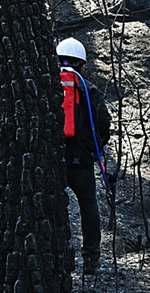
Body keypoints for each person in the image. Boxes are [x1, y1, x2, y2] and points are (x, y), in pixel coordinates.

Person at [59, 37, 111, 275]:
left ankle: (55, 253)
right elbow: (103, 123)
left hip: (53, 160)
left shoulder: (47, 85)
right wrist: (93, 148)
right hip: (81, 162)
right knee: (88, 204)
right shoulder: (90, 89)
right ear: (82, 64)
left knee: (52, 205)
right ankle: (91, 259)